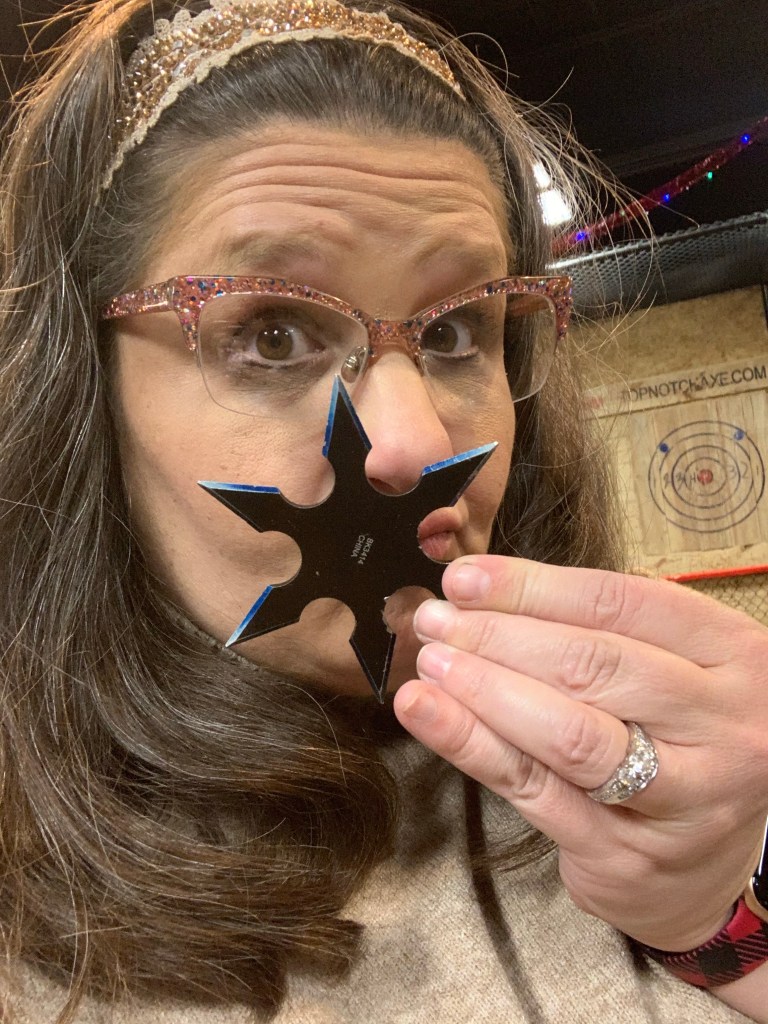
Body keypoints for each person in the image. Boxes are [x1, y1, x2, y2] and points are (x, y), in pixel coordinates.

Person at [1, 1, 766, 1021]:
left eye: (456, 333)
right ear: (87, 397)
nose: (412, 441)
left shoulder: (672, 784)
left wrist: (717, 924)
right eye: (273, 334)